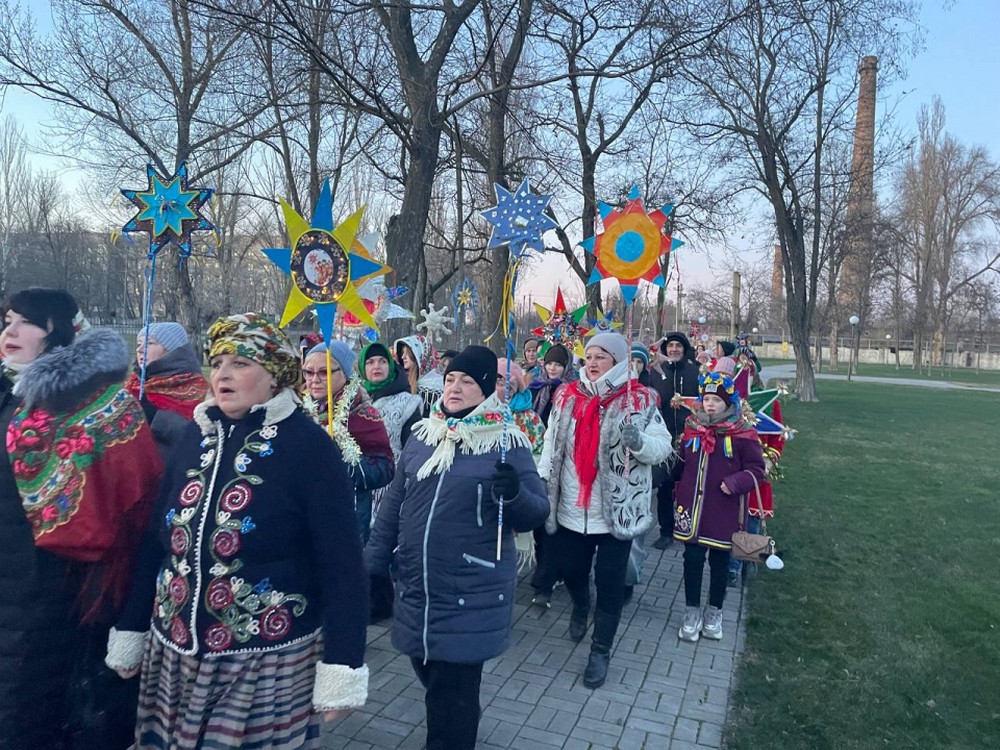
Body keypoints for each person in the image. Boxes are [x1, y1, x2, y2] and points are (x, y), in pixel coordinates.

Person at [107, 313, 369, 749]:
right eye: (218, 361)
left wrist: (342, 664)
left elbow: (342, 564)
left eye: (241, 363)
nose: (223, 374)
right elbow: (159, 542)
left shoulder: (308, 447)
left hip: (264, 661)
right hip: (174, 655)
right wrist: (132, 628)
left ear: (274, 378)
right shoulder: (196, 435)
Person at [0, 288, 162, 750]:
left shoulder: (100, 404)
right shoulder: (8, 394)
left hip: (53, 598)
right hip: (11, 591)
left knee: (30, 719)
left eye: (27, 322)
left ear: (60, 333)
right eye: (7, 320)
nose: (10, 331)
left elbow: (136, 502)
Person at [365, 345, 548, 750]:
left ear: (485, 389)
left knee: (452, 698)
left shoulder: (506, 441)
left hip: (470, 589)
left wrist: (514, 493)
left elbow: (536, 513)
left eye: (467, 381)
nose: (454, 387)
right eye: (450, 379)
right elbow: (395, 502)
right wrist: (373, 562)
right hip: (418, 586)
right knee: (434, 683)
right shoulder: (424, 435)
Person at [538, 332, 670, 689]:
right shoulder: (566, 396)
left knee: (610, 584)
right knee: (575, 574)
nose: (592, 363)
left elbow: (662, 445)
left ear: (618, 363)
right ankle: (581, 605)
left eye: (602, 357)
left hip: (617, 511)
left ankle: (600, 650)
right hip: (570, 509)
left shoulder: (639, 399)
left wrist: (640, 443)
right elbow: (551, 443)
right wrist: (541, 477)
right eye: (589, 357)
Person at [673, 361, 766, 643]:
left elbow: (757, 470)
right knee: (691, 560)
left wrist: (735, 482)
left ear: (728, 403)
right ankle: (691, 612)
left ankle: (714, 611)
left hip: (723, 511)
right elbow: (681, 465)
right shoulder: (691, 428)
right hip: (691, 509)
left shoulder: (742, 433)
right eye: (707, 400)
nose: (710, 405)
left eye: (716, 400)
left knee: (720, 563)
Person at [302, 341, 394, 543]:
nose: (314, 380)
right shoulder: (299, 411)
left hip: (346, 520)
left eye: (324, 372)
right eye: (308, 372)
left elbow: (384, 469)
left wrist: (339, 464)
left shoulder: (362, 413)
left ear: (344, 374)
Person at [648, 332, 702, 550]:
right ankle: (666, 532)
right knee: (664, 488)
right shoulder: (655, 372)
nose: (674, 350)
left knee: (689, 487)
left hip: (691, 439)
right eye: (670, 346)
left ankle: (687, 528)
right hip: (664, 439)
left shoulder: (695, 371)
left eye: (678, 346)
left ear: (684, 348)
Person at [125, 321, 209, 458]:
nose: (139, 349)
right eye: (139, 343)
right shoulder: (133, 383)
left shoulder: (190, 383)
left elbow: (193, 433)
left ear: (171, 349)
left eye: (149, 343)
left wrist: (157, 417)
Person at [357, 341, 423, 463]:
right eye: (370, 362)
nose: (377, 366)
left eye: (383, 361)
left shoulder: (407, 403)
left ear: (390, 366)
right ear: (362, 368)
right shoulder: (352, 399)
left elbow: (414, 452)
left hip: (394, 477)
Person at [395, 333, 444, 415]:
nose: (403, 357)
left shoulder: (435, 388)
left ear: (420, 355)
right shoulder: (403, 383)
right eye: (402, 353)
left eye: (408, 353)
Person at [528, 343, 573, 426]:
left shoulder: (573, 390)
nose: (552, 368)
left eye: (558, 365)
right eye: (549, 363)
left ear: (566, 367)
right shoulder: (535, 386)